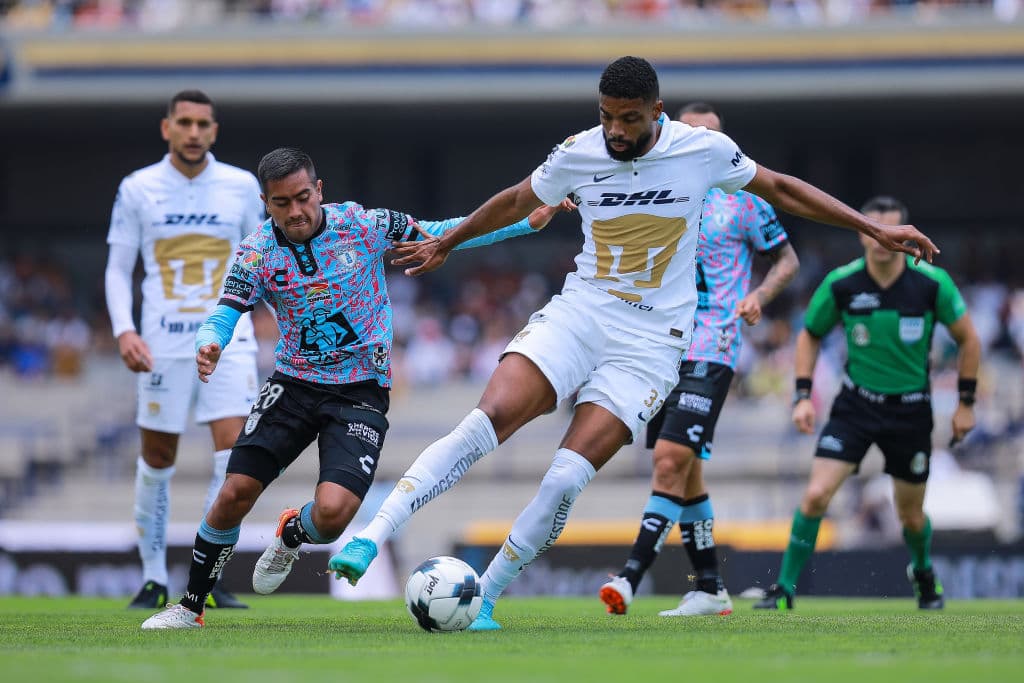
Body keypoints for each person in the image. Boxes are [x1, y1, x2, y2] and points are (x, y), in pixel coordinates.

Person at [328, 56, 937, 631]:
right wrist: (449, 241)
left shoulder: (702, 151)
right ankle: (372, 534)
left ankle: (485, 597)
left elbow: (781, 189)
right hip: (581, 313)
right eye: (606, 115)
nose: (615, 130)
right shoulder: (578, 152)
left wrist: (874, 227)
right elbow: (518, 199)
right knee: (484, 422)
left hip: (651, 343)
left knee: (566, 479)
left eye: (628, 118)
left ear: (656, 111)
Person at [139, 147, 570, 629]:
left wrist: (523, 224)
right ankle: (190, 607)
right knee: (235, 491)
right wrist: (209, 343)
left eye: (303, 197)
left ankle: (292, 532)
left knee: (333, 515)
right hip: (294, 384)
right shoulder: (257, 251)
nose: (296, 211)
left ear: (319, 190)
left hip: (361, 392)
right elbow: (225, 311)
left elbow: (442, 232)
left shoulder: (363, 226)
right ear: (266, 203)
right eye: (282, 203)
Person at [599, 102, 800, 618]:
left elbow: (787, 258)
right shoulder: (658, 189)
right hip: (661, 344)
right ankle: (709, 586)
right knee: (686, 473)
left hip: (713, 344)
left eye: (715, 137)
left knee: (669, 460)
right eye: (695, 135)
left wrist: (761, 293)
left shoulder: (744, 198)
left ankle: (630, 576)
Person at [754, 196, 980, 611]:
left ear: (905, 234)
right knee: (816, 495)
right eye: (875, 230)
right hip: (856, 406)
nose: (883, 240)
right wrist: (803, 395)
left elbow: (969, 339)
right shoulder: (842, 283)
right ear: (861, 233)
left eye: (893, 230)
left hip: (911, 410)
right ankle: (784, 588)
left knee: (910, 516)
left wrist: (966, 403)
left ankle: (924, 572)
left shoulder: (931, 283)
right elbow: (809, 335)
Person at [105, 90, 263, 610]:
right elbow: (117, 267)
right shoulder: (138, 188)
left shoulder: (241, 186)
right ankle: (153, 578)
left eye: (203, 124)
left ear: (214, 131)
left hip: (228, 338)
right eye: (185, 122)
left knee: (232, 457)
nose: (194, 132)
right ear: (166, 127)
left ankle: (208, 576)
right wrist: (124, 330)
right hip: (161, 342)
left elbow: (264, 260)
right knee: (157, 459)